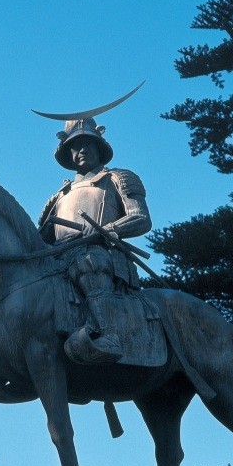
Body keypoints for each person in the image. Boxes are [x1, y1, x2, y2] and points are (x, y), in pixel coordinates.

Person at [38, 117, 151, 364]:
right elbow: (40, 239)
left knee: (89, 262)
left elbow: (141, 218)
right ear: (67, 152)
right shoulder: (59, 196)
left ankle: (109, 335)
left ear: (99, 147)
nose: (81, 150)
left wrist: (106, 229)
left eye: (88, 143)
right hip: (60, 258)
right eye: (75, 146)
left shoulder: (118, 178)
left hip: (102, 255)